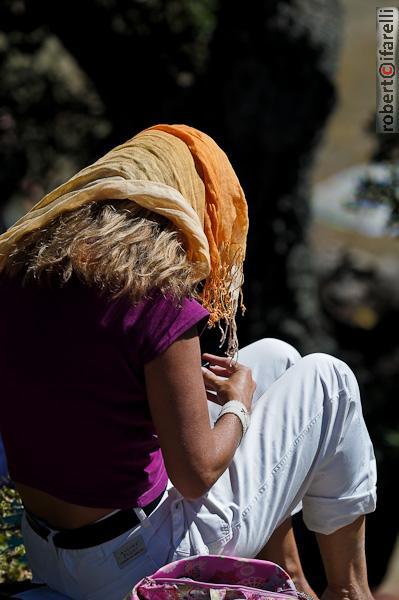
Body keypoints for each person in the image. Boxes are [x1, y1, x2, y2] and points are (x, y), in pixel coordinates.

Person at [0, 125, 377, 600]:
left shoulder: (23, 273)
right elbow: (195, 475)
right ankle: (349, 591)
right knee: (330, 380)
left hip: (51, 551)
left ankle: (293, 578)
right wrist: (238, 407)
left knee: (275, 358)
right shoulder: (154, 294)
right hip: (134, 561)